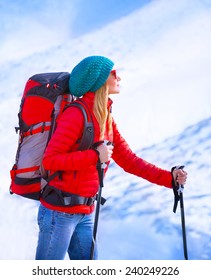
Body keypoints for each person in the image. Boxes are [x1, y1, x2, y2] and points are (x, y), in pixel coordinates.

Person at [35, 55, 187, 260]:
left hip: (84, 212)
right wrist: (94, 156)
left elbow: (129, 160)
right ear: (97, 81)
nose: (119, 77)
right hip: (58, 214)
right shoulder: (76, 114)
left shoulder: (105, 118)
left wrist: (169, 178)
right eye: (113, 73)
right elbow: (50, 161)